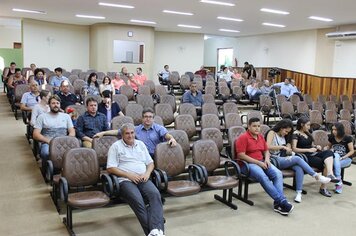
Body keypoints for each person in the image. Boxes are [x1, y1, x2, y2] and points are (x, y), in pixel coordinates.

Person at [107, 123, 165, 236]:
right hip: (125, 181)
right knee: (138, 201)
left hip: (143, 178)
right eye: (127, 133)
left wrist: (148, 173)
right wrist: (129, 175)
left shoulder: (141, 144)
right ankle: (152, 232)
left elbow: (150, 163)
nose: (130, 135)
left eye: (132, 133)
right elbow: (110, 168)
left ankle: (157, 230)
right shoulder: (116, 146)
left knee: (155, 195)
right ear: (122, 135)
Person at [236, 117, 294, 215]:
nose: (257, 128)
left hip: (262, 161)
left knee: (278, 174)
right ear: (248, 126)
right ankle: (282, 201)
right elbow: (241, 155)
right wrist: (258, 163)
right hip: (247, 165)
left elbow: (266, 150)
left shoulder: (261, 137)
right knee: (263, 176)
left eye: (259, 126)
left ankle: (278, 204)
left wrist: (267, 159)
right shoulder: (243, 137)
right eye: (254, 126)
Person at [266, 120, 331, 203]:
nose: (286, 133)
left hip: (283, 158)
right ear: (281, 128)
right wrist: (282, 147)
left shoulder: (285, 136)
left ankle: (298, 193)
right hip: (274, 159)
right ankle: (316, 176)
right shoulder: (272, 133)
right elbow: (267, 146)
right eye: (286, 131)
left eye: (288, 132)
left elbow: (288, 148)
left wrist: (288, 150)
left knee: (298, 167)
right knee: (297, 159)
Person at [95, 108, 177, 157]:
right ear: (142, 118)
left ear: (153, 119)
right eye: (145, 117)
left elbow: (167, 135)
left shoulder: (158, 128)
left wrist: (172, 139)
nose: (148, 119)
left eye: (150, 117)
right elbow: (118, 131)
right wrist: (103, 133)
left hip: (157, 156)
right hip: (142, 157)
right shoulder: (136, 129)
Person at [292, 117, 339, 197]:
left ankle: (330, 173)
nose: (309, 127)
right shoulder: (295, 134)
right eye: (307, 125)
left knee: (329, 152)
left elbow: (310, 145)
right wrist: (308, 150)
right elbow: (294, 149)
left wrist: (316, 146)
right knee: (325, 164)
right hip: (305, 156)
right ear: (302, 125)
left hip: (313, 152)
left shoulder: (307, 132)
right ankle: (323, 188)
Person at [33, 95, 75, 163]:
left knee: (75, 152)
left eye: (57, 103)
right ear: (49, 105)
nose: (56, 105)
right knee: (45, 153)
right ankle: (46, 170)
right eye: (53, 103)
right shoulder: (42, 117)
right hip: (48, 142)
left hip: (64, 142)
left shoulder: (66, 116)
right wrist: (49, 141)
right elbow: (35, 134)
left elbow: (72, 131)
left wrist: (68, 140)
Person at [326, 123, 354, 194]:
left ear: (340, 130)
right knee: (335, 155)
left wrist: (342, 158)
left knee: (335, 161)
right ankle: (339, 181)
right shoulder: (331, 137)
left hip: (346, 159)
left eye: (335, 130)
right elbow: (328, 147)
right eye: (332, 130)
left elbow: (352, 151)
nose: (333, 131)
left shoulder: (347, 138)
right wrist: (326, 148)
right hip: (336, 158)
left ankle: (338, 180)